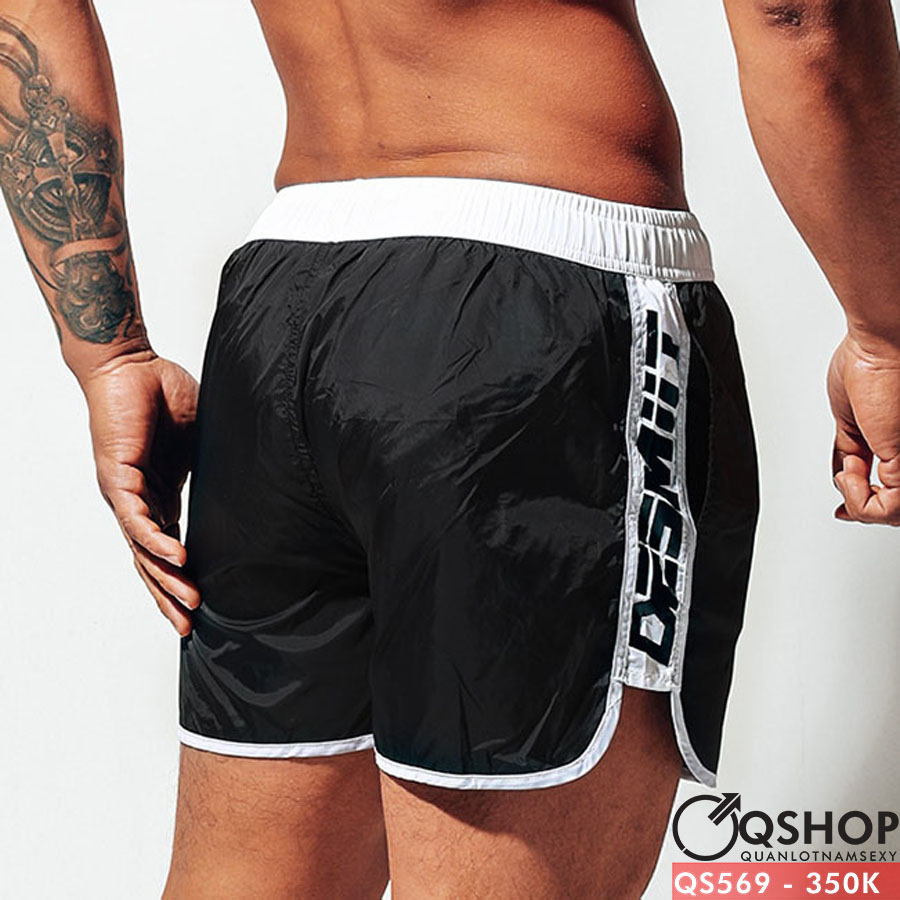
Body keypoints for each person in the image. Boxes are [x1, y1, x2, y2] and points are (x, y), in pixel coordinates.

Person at [1, 0, 897, 896]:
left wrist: (108, 355)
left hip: (281, 315)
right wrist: (885, 335)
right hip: (535, 312)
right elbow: (800, 17)